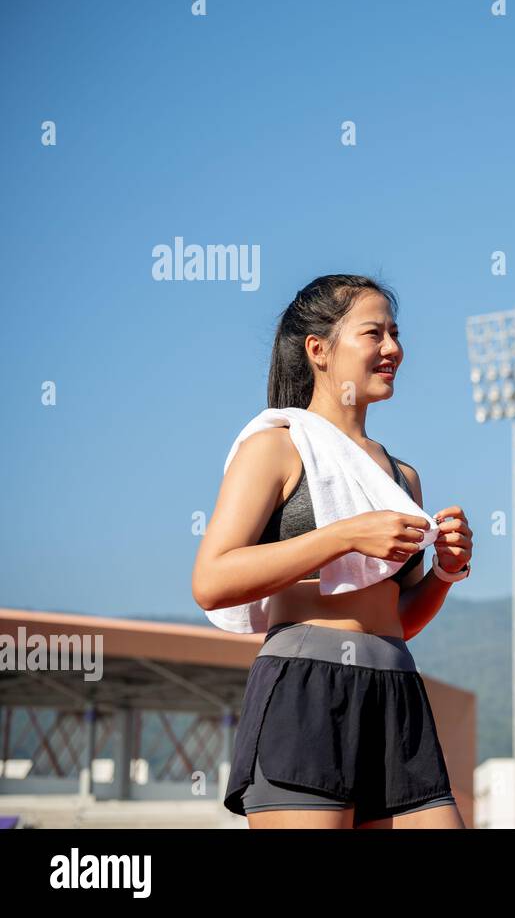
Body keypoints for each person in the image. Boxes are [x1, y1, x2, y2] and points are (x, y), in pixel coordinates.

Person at [191, 274, 474, 829]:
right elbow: (212, 578)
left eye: (395, 333)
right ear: (318, 350)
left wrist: (445, 571)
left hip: (397, 689)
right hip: (306, 690)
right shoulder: (274, 446)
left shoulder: (404, 477)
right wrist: (344, 535)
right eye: (375, 333)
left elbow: (400, 620)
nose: (393, 348)